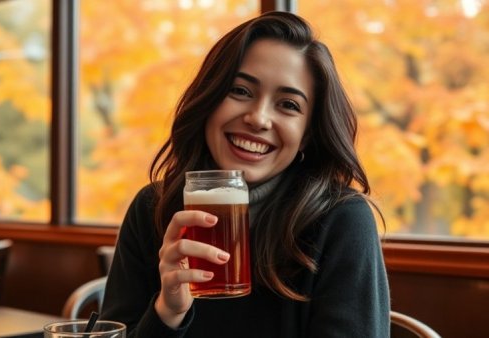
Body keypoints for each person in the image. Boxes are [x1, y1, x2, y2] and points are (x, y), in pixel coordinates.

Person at [100, 11, 390, 337]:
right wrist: (168, 313)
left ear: (307, 134)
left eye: (288, 105)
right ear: (209, 100)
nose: (258, 118)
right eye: (240, 91)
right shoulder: (153, 206)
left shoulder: (340, 220)